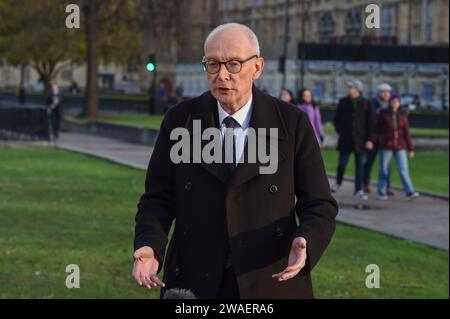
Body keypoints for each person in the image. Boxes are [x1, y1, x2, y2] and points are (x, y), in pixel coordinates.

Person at [132, 22, 338, 299]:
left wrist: (307, 240)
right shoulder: (180, 121)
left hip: (270, 277)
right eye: (213, 64)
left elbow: (319, 204)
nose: (222, 75)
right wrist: (149, 245)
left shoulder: (292, 123)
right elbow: (158, 198)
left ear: (257, 67)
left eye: (233, 64)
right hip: (194, 280)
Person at [331, 79, 375, 200]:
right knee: (341, 164)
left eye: (351, 87)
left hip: (361, 141)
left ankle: (358, 190)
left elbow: (371, 123)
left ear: (357, 89)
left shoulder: (366, 103)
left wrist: (370, 140)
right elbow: (336, 119)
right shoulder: (343, 102)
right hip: (345, 139)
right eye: (349, 87)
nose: (348, 90)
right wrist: (340, 131)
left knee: (359, 166)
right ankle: (338, 183)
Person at [374, 93, 420, 201]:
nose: (395, 103)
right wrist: (373, 141)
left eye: (397, 101)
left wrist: (411, 148)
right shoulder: (383, 114)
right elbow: (377, 130)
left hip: (400, 146)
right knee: (384, 170)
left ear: (399, 103)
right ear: (390, 102)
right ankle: (381, 191)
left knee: (403, 169)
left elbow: (406, 134)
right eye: (393, 101)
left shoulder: (402, 115)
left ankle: (410, 192)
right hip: (386, 146)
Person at [363, 83, 394, 195]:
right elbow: (367, 123)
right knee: (369, 162)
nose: (386, 94)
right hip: (373, 139)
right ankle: (365, 184)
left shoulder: (391, 105)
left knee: (386, 165)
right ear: (378, 93)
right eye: (384, 92)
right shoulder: (371, 104)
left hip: (385, 140)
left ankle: (387, 186)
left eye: (388, 92)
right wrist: (368, 139)